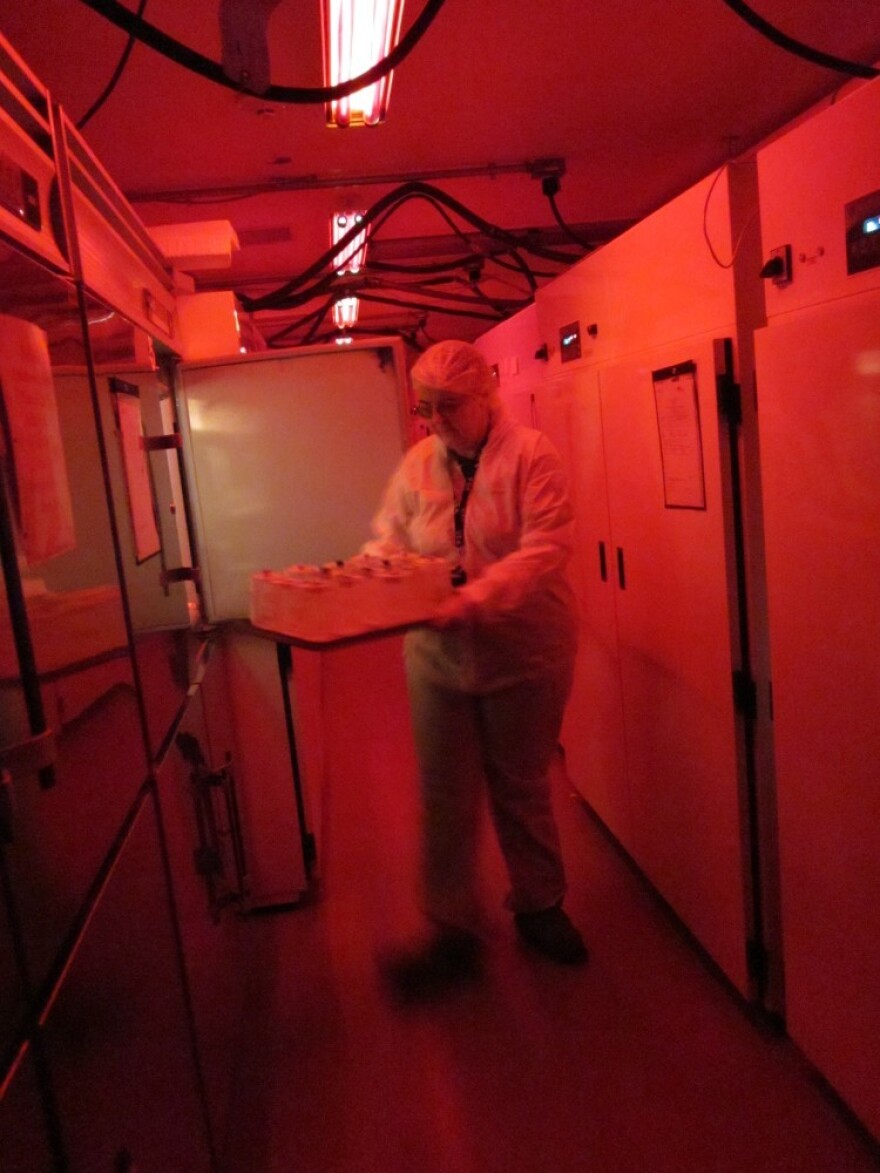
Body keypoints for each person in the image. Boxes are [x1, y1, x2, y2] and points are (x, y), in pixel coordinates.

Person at [362, 339, 587, 996]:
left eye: (449, 406)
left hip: (523, 647)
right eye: (425, 408)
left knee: (520, 783)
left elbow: (547, 547)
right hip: (437, 655)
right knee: (443, 792)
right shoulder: (418, 465)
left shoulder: (531, 456)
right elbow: (389, 535)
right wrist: (374, 574)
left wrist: (477, 599)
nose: (435, 420)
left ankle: (540, 904)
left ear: (486, 397)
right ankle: (451, 928)